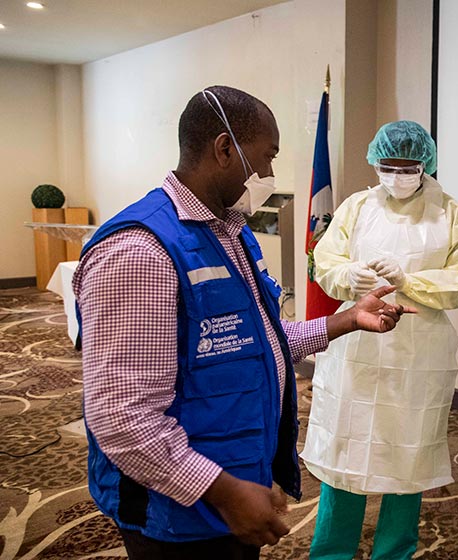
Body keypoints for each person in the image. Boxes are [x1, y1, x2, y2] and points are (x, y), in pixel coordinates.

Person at [74, 86, 415, 559]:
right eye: (267, 157)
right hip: (175, 509)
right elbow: (122, 416)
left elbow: (254, 342)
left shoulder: (231, 233)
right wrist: (223, 491)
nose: (270, 174)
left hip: (232, 480)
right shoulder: (141, 252)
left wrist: (346, 320)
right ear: (224, 148)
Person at [302, 120, 458, 559]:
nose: (398, 175)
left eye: (407, 167)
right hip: (357, 346)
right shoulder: (357, 206)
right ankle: (331, 552)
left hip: (419, 354)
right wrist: (349, 275)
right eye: (389, 166)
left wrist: (411, 281)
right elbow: (325, 259)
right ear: (375, 162)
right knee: (346, 453)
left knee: (409, 457)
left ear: (426, 165)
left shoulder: (450, 212)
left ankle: (394, 551)